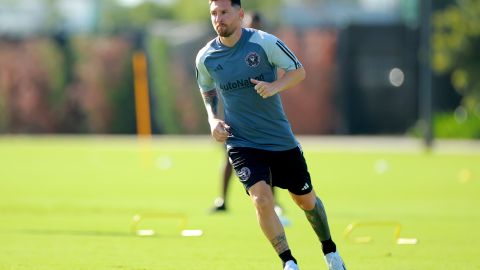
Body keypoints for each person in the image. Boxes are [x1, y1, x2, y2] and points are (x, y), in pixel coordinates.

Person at [195, 1, 347, 269]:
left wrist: (274, 86)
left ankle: (330, 251)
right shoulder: (206, 57)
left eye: (224, 13)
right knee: (261, 199)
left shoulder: (264, 43)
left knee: (305, 200)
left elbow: (298, 71)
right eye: (214, 14)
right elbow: (206, 89)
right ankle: (288, 262)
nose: (219, 19)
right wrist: (212, 118)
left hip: (279, 140)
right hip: (241, 141)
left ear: (240, 14)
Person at [210, 10, 284, 216]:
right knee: (230, 157)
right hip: (237, 116)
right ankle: (222, 199)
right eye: (252, 24)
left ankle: (274, 202)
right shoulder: (232, 48)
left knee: (270, 159)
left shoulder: (266, 47)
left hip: (264, 115)